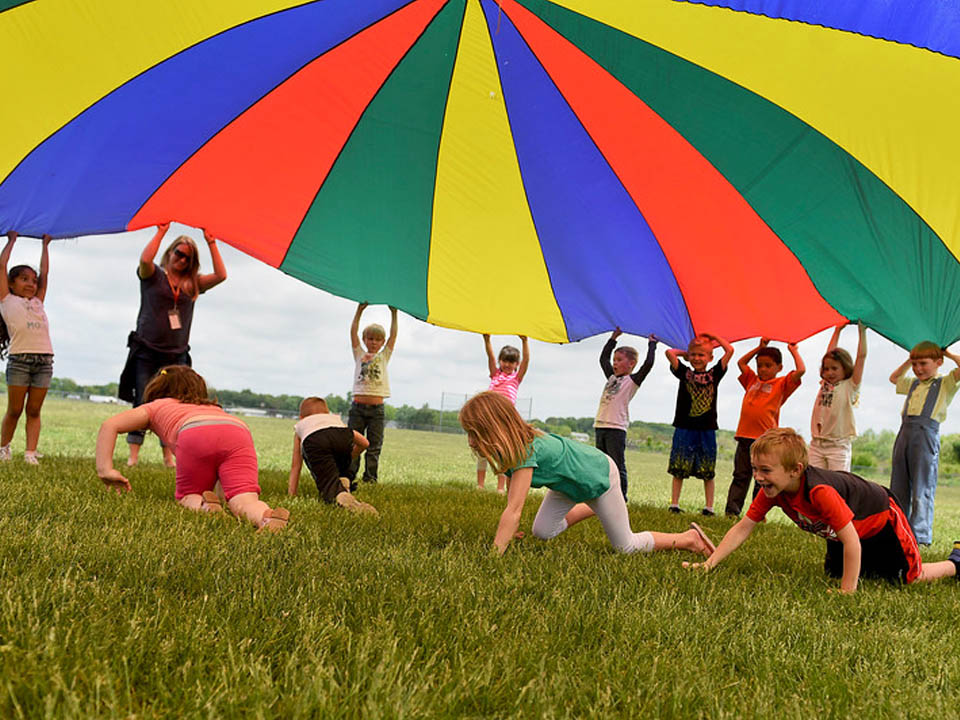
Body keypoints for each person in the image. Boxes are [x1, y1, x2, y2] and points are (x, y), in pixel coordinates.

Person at [684, 428, 960, 593]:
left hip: (882, 521)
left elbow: (851, 539)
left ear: (795, 470)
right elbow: (743, 527)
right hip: (845, 535)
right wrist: (708, 565)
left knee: (907, 579)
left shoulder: (819, 492)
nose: (758, 477)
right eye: (755, 469)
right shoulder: (774, 490)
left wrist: (846, 591)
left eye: (765, 470)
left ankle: (955, 562)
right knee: (845, 573)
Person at [459, 391, 716, 557]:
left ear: (495, 429)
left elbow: (514, 510)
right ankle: (597, 508)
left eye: (475, 434)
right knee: (543, 531)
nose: (471, 441)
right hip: (568, 485)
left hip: (600, 476)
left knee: (626, 546)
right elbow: (513, 502)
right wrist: (508, 531)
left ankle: (688, 539)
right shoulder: (513, 450)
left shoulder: (527, 451)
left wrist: (495, 554)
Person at [96, 365, 288, 532]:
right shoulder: (212, 407)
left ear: (158, 388)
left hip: (193, 431)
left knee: (189, 495)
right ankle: (266, 517)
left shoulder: (156, 406)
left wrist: (105, 469)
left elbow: (109, 425)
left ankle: (203, 507)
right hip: (237, 429)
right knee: (245, 500)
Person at [118, 224, 227, 467]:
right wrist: (160, 232)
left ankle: (169, 456)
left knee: (175, 405)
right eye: (179, 253)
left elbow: (221, 275)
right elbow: (145, 259)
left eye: (188, 257)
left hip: (176, 355)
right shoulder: (153, 276)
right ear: (170, 252)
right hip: (147, 349)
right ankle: (133, 457)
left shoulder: (192, 285)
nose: (182, 259)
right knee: (143, 401)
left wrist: (211, 243)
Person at [888, 341, 960, 545]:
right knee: (899, 483)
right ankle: (898, 528)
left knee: (922, 485)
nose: (918, 369)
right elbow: (894, 378)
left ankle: (920, 535)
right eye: (915, 364)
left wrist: (948, 353)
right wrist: (908, 359)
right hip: (905, 432)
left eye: (923, 363)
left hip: (926, 434)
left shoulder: (945, 383)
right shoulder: (912, 383)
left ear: (938, 362)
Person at [724, 338, 805, 517]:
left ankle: (757, 514)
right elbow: (741, 362)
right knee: (740, 476)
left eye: (768, 366)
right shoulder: (751, 380)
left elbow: (801, 370)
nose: (762, 369)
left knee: (761, 479)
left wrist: (793, 350)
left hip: (764, 441)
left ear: (779, 368)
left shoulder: (782, 384)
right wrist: (760, 348)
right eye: (760, 365)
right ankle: (731, 512)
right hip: (745, 438)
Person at [666, 333, 734, 516]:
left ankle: (709, 507)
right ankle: (674, 504)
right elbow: (670, 353)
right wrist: (686, 353)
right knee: (679, 467)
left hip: (707, 428)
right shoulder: (684, 373)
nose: (696, 358)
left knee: (707, 469)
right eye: (694, 355)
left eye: (701, 355)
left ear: (710, 358)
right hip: (684, 426)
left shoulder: (715, 374)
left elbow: (730, 350)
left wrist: (714, 338)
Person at [0, 231, 54, 464]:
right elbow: (1, 266)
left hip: (44, 361)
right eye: (24, 279)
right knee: (15, 410)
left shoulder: (38, 301)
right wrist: (12, 241)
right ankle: (3, 447)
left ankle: (30, 453)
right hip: (20, 360)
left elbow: (46, 274)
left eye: (33, 280)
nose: (32, 284)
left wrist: (45, 245)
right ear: (12, 283)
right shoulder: (6, 300)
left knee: (34, 410)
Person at [593, 328, 656, 502]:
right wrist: (613, 338)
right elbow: (602, 359)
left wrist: (652, 344)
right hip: (600, 426)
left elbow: (648, 365)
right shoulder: (612, 378)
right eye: (615, 359)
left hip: (616, 428)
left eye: (619, 360)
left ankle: (621, 497)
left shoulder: (632, 381)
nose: (614, 363)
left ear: (631, 364)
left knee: (617, 464)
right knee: (602, 464)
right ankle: (603, 494)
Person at [289, 396, 378, 515]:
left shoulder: (301, 424)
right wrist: (349, 457)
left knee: (326, 480)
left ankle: (339, 496)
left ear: (301, 417)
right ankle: (343, 482)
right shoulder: (335, 420)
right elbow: (365, 443)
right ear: (327, 412)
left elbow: (296, 466)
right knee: (340, 460)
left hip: (315, 440)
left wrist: (292, 494)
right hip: (342, 435)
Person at [347, 302, 398, 488]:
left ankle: (370, 478)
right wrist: (359, 311)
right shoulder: (359, 353)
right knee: (354, 444)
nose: (374, 342)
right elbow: (352, 333)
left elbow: (394, 336)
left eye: (377, 340)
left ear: (382, 342)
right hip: (358, 408)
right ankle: (349, 475)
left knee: (374, 446)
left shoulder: (384, 356)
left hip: (377, 409)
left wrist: (394, 314)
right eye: (370, 339)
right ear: (364, 339)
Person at [809, 322, 867, 471]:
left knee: (837, 484)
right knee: (814, 481)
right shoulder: (825, 384)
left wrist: (862, 331)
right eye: (826, 369)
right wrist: (837, 330)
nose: (829, 373)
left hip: (837, 446)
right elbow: (829, 352)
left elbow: (861, 357)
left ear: (845, 367)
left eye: (834, 368)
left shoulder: (849, 385)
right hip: (817, 444)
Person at [477, 333, 530, 492]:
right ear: (500, 361)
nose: (507, 364)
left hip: (504, 420)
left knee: (502, 453)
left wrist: (525, 342)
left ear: (516, 364)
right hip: (489, 418)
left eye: (511, 361)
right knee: (482, 451)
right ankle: (480, 485)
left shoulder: (516, 379)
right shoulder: (495, 375)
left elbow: (526, 361)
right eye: (505, 360)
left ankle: (501, 488)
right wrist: (487, 340)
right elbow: (490, 357)